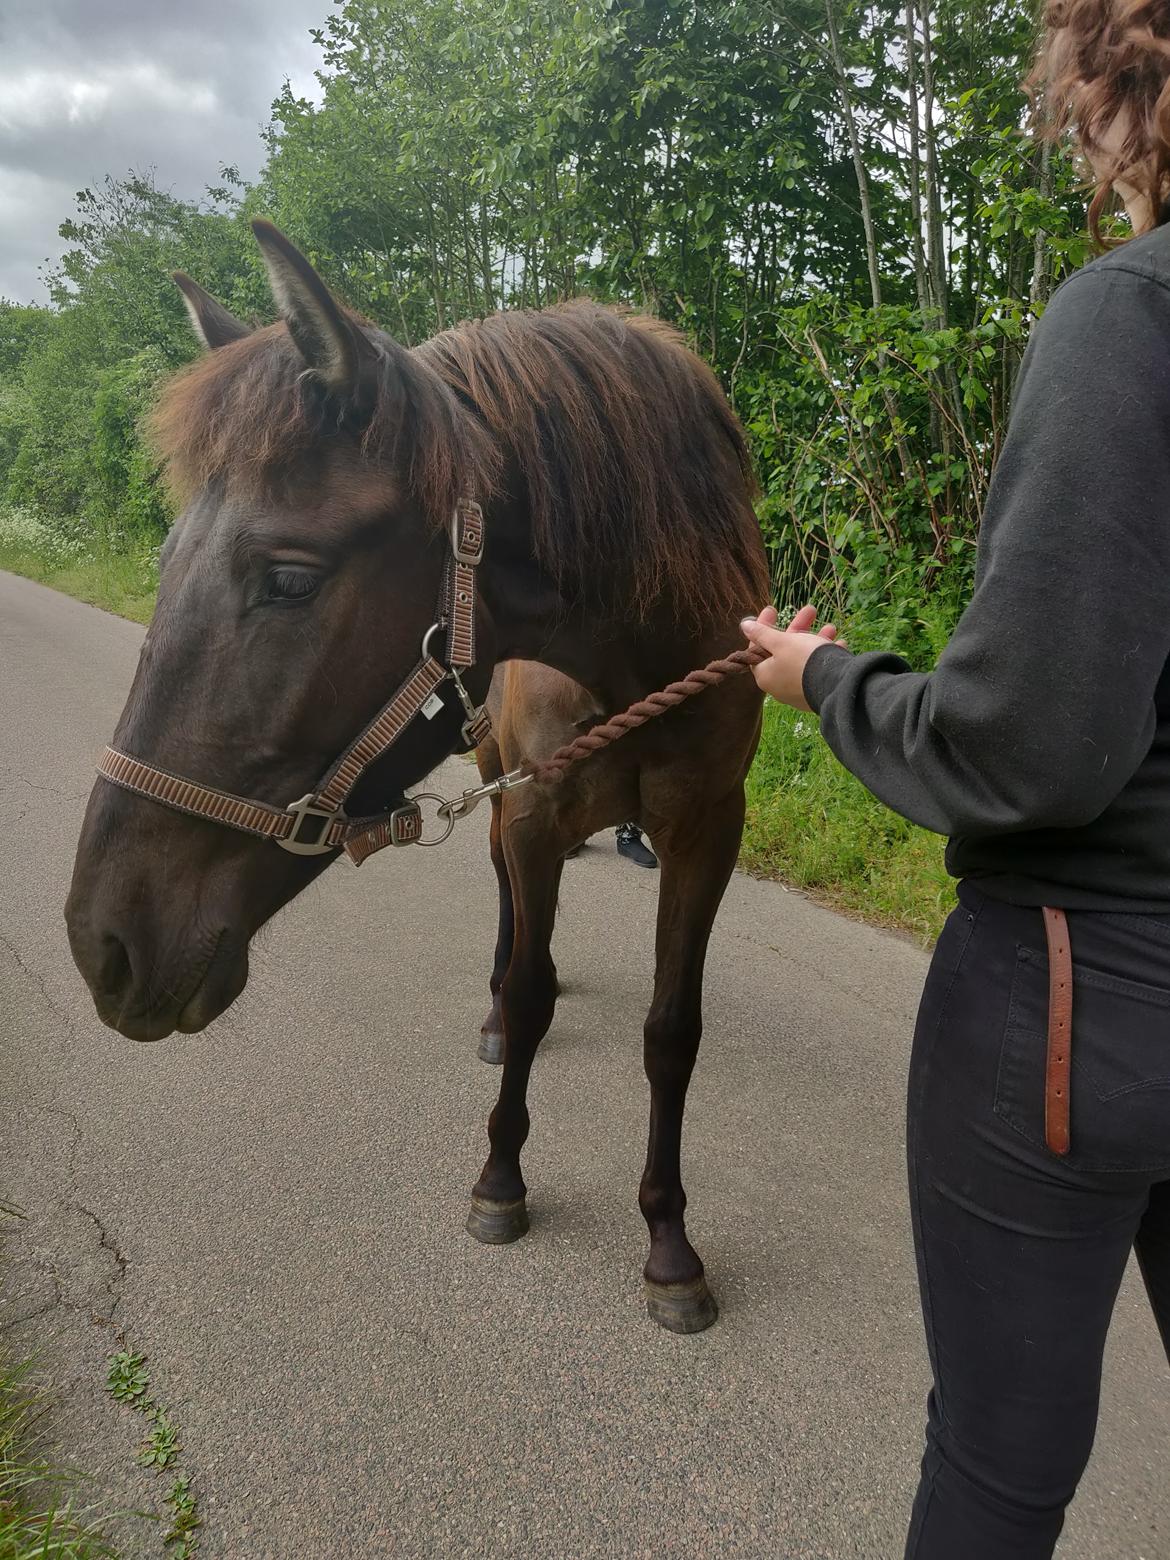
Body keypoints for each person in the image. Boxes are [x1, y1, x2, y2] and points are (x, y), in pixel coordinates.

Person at [741, 5, 1170, 1555]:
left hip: (1083, 991)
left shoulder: (1133, 314)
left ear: (1121, 95)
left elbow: (1026, 749)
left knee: (998, 1469)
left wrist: (821, 680)